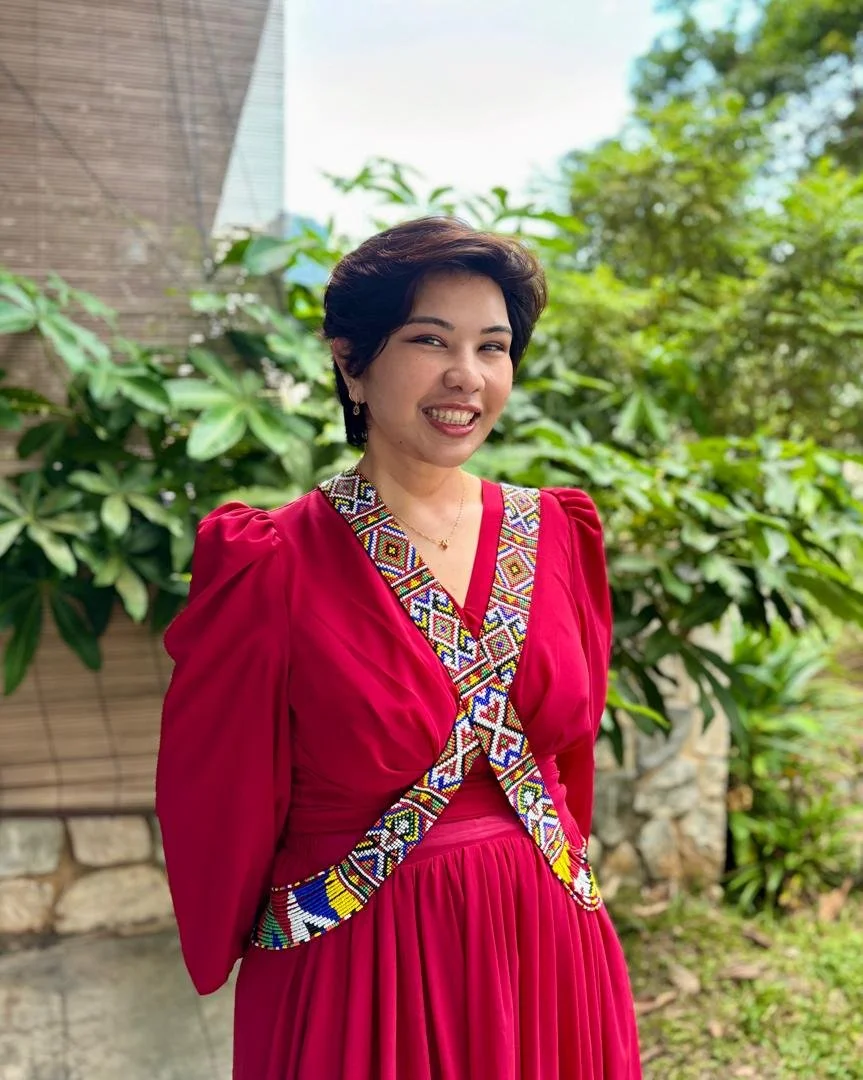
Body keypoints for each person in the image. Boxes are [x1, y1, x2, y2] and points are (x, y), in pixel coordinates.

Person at [156, 216, 642, 1079]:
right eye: (430, 340)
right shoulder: (272, 563)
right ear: (351, 360)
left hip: (548, 946)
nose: (466, 376)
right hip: (359, 970)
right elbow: (216, 795)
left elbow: (568, 767)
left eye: (493, 348)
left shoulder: (558, 534)